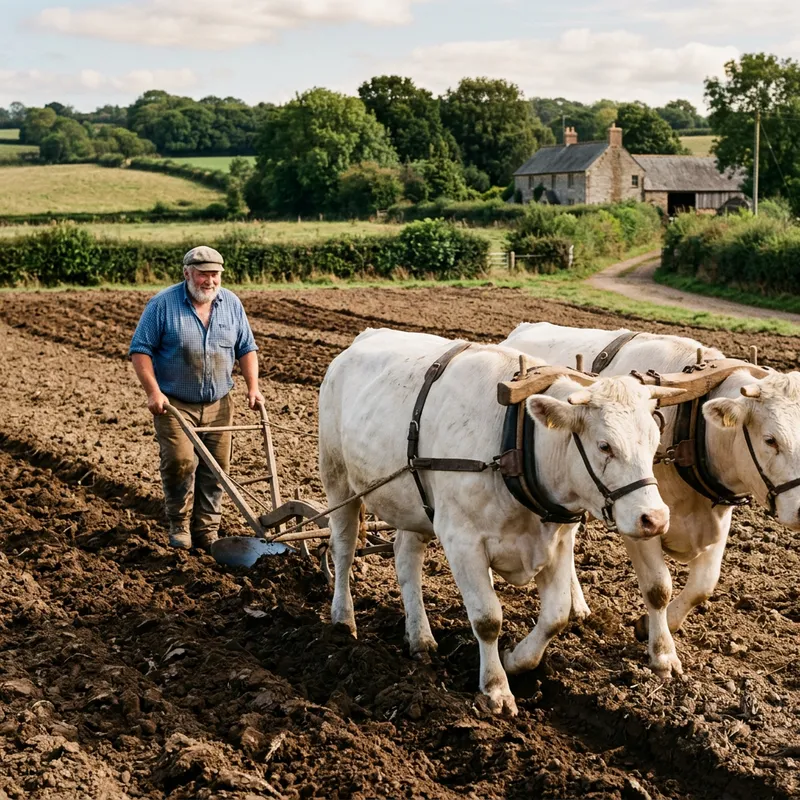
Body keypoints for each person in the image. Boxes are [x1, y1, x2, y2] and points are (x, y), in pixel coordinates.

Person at [129, 245, 264, 550]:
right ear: (187, 273)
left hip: (219, 402)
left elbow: (246, 348)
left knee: (217, 469)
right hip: (175, 404)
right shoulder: (162, 305)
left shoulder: (231, 304)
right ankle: (179, 526)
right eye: (203, 274)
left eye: (215, 274)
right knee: (179, 463)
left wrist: (252, 387)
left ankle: (207, 530)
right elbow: (140, 350)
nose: (210, 281)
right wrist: (153, 392)